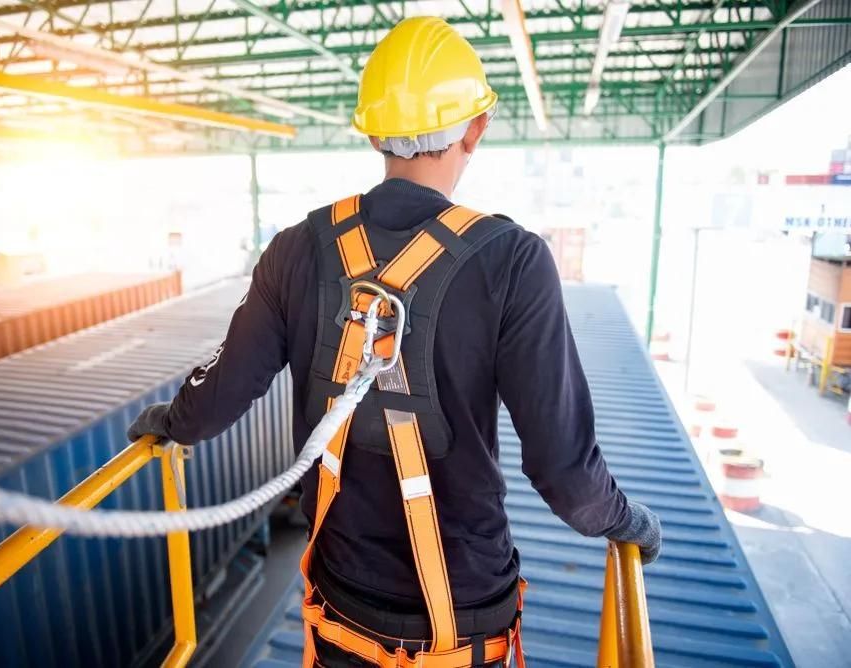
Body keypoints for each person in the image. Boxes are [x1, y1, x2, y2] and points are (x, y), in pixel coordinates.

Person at [129, 16, 660, 668]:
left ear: (375, 132)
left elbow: (215, 403)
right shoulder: (513, 262)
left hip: (341, 605)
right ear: (476, 128)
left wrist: (169, 420)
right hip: (460, 621)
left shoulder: (295, 248)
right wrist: (627, 524)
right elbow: (570, 481)